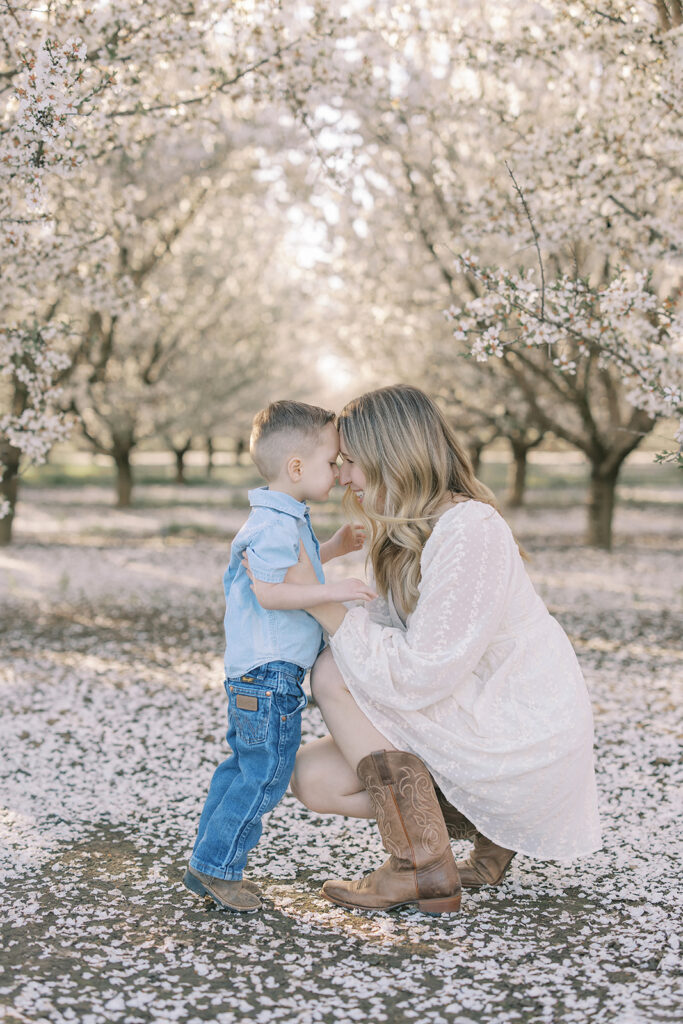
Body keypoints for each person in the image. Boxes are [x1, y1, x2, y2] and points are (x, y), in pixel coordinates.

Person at [252, 384, 602, 915]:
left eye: (351, 462)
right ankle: (485, 833)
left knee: (331, 675)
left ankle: (418, 863)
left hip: (517, 726)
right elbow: (381, 631)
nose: (342, 476)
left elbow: (421, 672)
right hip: (467, 710)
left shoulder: (471, 529)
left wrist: (324, 607)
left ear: (390, 455)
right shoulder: (401, 533)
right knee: (312, 779)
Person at [184, 400, 375, 913]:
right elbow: (271, 592)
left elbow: (293, 570)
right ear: (296, 467)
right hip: (268, 676)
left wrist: (331, 549)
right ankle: (219, 869)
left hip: (262, 676)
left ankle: (208, 860)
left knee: (242, 770)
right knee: (265, 775)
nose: (339, 472)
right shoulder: (272, 527)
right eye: (332, 462)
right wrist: (335, 592)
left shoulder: (283, 519)